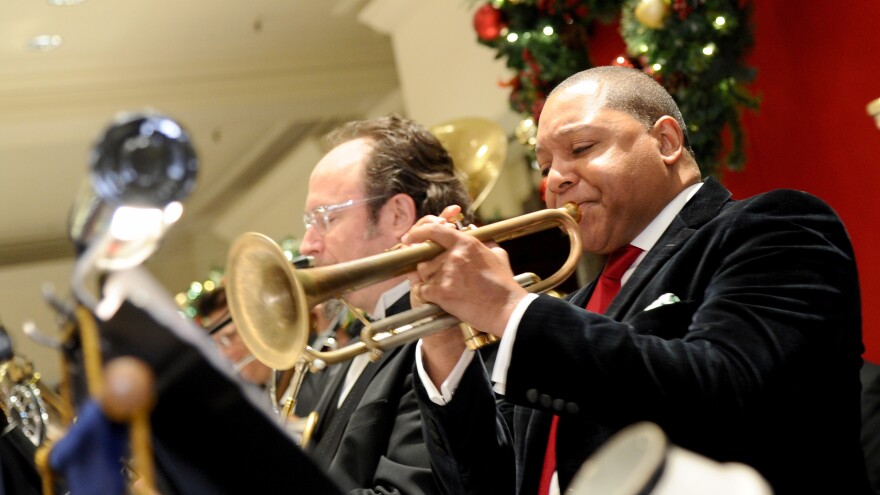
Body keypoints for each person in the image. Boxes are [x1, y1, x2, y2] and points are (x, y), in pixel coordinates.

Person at [404, 66, 871, 495]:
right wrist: (446, 340)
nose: (556, 181)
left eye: (581, 148)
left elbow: (728, 392)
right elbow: (490, 484)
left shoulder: (777, 225)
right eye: (544, 166)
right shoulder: (573, 310)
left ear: (666, 142)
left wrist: (506, 309)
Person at [295, 114, 472, 493]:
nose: (307, 245)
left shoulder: (449, 332)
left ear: (397, 215)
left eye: (325, 218)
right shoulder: (362, 337)